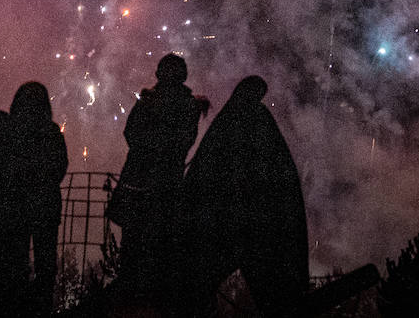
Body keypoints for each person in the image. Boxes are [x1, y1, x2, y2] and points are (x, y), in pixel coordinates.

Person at [179, 76, 309, 318]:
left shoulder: (227, 123)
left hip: (228, 220)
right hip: (253, 221)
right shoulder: (260, 123)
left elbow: (203, 169)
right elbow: (281, 175)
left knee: (202, 283)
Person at [113, 53, 209, 300]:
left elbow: (131, 133)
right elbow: (183, 141)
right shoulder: (186, 105)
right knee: (160, 244)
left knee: (136, 245)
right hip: (165, 182)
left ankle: (134, 295)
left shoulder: (150, 101)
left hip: (140, 180)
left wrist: (149, 149)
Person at [0, 81, 68, 316]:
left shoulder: (8, 132)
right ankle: (40, 307)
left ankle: (18, 307)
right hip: (45, 206)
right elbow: (60, 167)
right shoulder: (52, 132)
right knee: (45, 264)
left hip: (16, 205)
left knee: (16, 263)